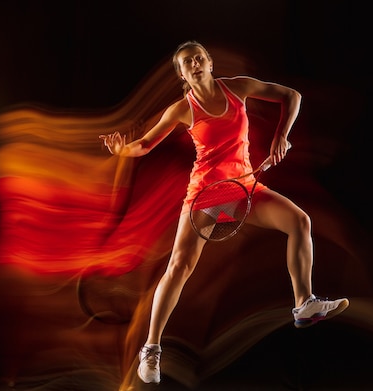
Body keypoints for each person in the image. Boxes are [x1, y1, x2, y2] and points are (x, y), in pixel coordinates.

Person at [100, 40, 349, 385]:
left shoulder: (237, 88)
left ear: (210, 62)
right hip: (206, 195)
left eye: (200, 57)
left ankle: (304, 304)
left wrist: (281, 136)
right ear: (183, 74)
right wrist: (121, 150)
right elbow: (143, 144)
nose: (196, 64)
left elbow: (292, 96)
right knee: (179, 267)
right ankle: (151, 349)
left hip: (245, 188)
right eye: (188, 62)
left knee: (299, 221)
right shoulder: (181, 109)